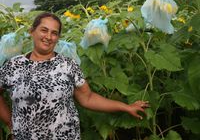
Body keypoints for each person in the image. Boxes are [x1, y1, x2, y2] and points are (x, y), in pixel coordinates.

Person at [0, 12, 149, 140]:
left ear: (58, 37)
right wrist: (9, 122)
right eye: (44, 30)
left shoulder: (67, 65)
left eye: (54, 33)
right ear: (32, 31)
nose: (49, 36)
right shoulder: (14, 65)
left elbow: (88, 98)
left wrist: (126, 107)